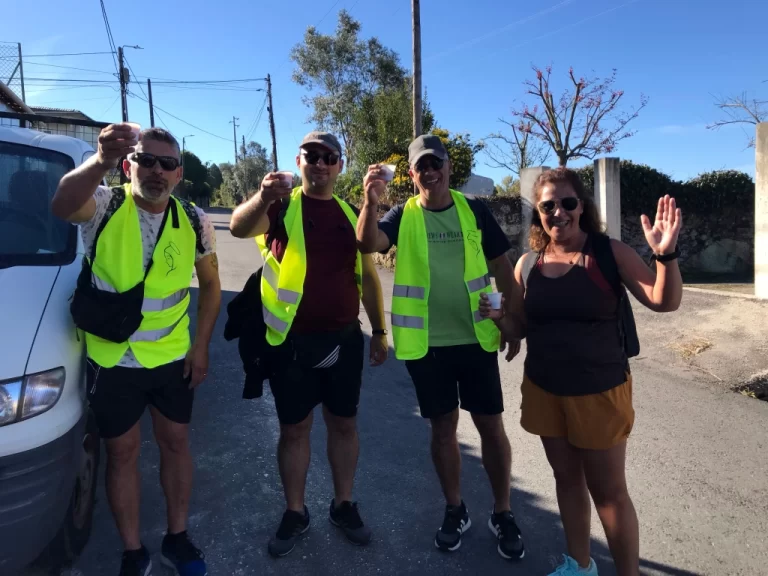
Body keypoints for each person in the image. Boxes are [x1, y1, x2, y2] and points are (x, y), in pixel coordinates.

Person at [481, 167, 682, 576]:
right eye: (548, 206)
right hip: (545, 390)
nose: (558, 212)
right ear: (538, 213)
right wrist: (499, 317)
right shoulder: (528, 265)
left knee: (609, 494)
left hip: (600, 392)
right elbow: (520, 329)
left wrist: (664, 254)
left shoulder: (608, 253)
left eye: (567, 203)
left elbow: (664, 301)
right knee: (566, 481)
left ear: (582, 206)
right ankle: (579, 567)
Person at [52, 125, 220, 576]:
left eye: (167, 164)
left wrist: (200, 347)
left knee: (176, 444)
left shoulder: (194, 219)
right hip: (113, 360)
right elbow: (63, 203)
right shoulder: (105, 204)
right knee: (122, 453)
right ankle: (132, 552)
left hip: (171, 359)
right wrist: (101, 160)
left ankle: (177, 539)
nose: (156, 171)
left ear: (179, 173)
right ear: (130, 165)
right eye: (146, 160)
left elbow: (211, 285)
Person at [356, 134, 526, 560]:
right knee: (443, 430)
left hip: (475, 340)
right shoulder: (402, 215)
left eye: (437, 162)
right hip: (428, 347)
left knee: (491, 427)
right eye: (421, 166)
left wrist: (511, 322)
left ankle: (502, 511)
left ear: (449, 167)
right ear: (411, 174)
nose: (430, 171)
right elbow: (367, 243)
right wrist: (370, 200)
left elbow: (502, 268)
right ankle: (456, 509)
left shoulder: (474, 210)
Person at [229, 131, 388, 558]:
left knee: (344, 426)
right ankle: (295, 512)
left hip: (344, 341)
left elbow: (368, 275)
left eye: (328, 157)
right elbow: (238, 227)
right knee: (295, 430)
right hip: (290, 344)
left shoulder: (349, 211)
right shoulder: (280, 206)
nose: (319, 163)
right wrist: (262, 197)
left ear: (340, 165)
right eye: (311, 155)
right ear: (299, 162)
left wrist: (380, 331)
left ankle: (343, 504)